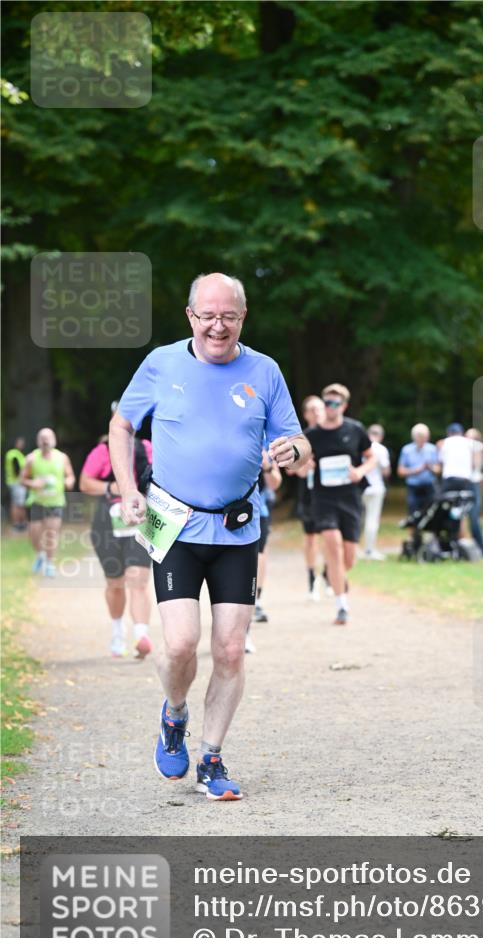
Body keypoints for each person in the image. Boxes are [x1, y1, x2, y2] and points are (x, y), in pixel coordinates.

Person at [109, 272, 310, 802]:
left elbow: (296, 439)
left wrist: (294, 451)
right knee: (178, 643)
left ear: (243, 317)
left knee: (228, 649)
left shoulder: (264, 371)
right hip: (170, 520)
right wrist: (128, 486)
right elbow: (123, 425)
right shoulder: (161, 363)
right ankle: (174, 714)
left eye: (229, 316)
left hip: (238, 527)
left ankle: (212, 758)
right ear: (190, 316)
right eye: (208, 315)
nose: (217, 326)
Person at [79, 403, 154, 659]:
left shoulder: (148, 449)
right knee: (115, 583)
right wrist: (112, 489)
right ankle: (117, 632)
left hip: (141, 520)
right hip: (107, 521)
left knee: (139, 579)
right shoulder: (101, 451)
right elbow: (85, 483)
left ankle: (142, 635)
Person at [304, 383, 376, 625]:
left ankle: (333, 573)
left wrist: (360, 471)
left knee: (348, 558)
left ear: (344, 406)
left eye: (335, 403)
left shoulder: (355, 430)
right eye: (327, 403)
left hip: (350, 498)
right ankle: (341, 606)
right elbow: (299, 467)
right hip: (323, 498)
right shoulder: (312, 435)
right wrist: (306, 466)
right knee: (332, 543)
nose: (330, 407)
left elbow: (371, 456)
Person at [21, 428, 75, 577]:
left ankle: (50, 563)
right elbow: (22, 479)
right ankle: (40, 555)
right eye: (42, 438)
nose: (45, 440)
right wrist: (33, 484)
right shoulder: (31, 458)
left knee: (51, 534)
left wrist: (69, 482)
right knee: (34, 534)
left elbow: (70, 476)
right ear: (38, 441)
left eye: (48, 437)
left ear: (54, 440)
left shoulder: (62, 458)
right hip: (37, 501)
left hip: (55, 502)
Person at [291, 395, 328, 600]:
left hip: (330, 494)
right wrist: (303, 468)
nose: (317, 413)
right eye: (312, 409)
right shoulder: (301, 438)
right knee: (311, 538)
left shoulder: (333, 434)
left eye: (319, 408)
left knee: (330, 536)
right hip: (308, 494)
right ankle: (312, 579)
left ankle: (330, 575)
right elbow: (290, 468)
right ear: (305, 414)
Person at [250, 449, 282, 630]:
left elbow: (275, 483)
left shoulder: (265, 449)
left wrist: (267, 465)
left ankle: (257, 600)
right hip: (226, 512)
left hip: (258, 510)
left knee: (259, 553)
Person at [397, 423, 439, 552]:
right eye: (420, 436)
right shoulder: (407, 450)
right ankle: (414, 543)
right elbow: (400, 471)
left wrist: (430, 468)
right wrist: (416, 470)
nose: (423, 439)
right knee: (413, 515)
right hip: (413, 487)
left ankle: (432, 543)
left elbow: (438, 469)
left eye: (425, 436)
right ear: (414, 437)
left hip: (429, 486)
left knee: (432, 514)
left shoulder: (432, 449)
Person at [434, 423, 474, 545]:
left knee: (440, 507)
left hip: (450, 479)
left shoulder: (444, 443)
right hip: (465, 481)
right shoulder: (468, 443)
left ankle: (441, 534)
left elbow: (440, 463)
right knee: (460, 510)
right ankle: (459, 537)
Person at [362, 424, 391, 560]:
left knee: (359, 519)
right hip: (376, 487)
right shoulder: (381, 449)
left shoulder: (361, 445)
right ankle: (369, 549)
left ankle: (354, 547)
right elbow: (385, 471)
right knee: (372, 519)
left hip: (362, 487)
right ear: (381, 436)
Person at [464, 428, 483, 557]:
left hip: (474, 484)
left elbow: (474, 465)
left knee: (474, 518)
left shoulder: (477, 448)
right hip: (465, 483)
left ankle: (481, 548)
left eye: (471, 438)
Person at [5, 436, 27, 532]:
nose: (22, 445)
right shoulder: (14, 454)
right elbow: (17, 469)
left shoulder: (14, 454)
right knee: (18, 504)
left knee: (17, 503)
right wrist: (22, 479)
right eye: (20, 443)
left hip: (14, 482)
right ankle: (18, 524)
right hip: (16, 482)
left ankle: (20, 524)